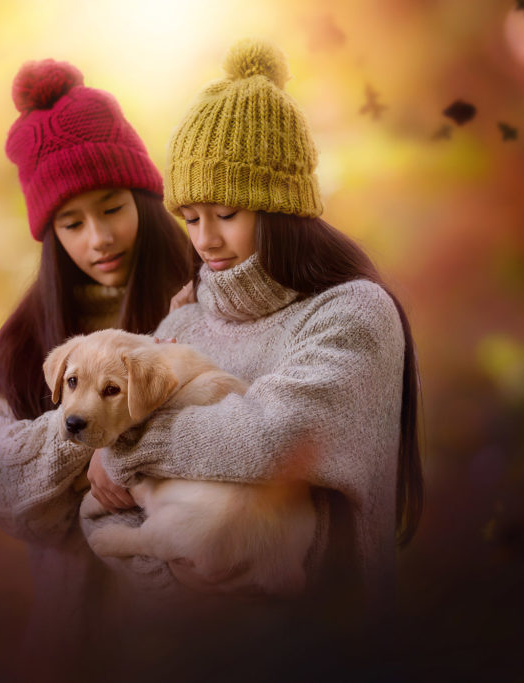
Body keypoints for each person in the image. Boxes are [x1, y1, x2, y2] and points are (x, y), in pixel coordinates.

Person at [94, 38, 425, 630]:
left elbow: (271, 436)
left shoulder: (351, 315)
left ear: (280, 207)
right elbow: (100, 511)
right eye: (190, 218)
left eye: (226, 214)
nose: (204, 241)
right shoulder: (183, 323)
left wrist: (123, 440)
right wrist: (173, 587)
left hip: (324, 649)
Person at [0, 59, 192, 668]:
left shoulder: (201, 301)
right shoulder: (26, 340)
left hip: (205, 639)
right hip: (81, 642)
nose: (98, 238)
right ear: (50, 234)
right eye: (72, 222)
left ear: (145, 196)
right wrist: (87, 441)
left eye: (112, 207)